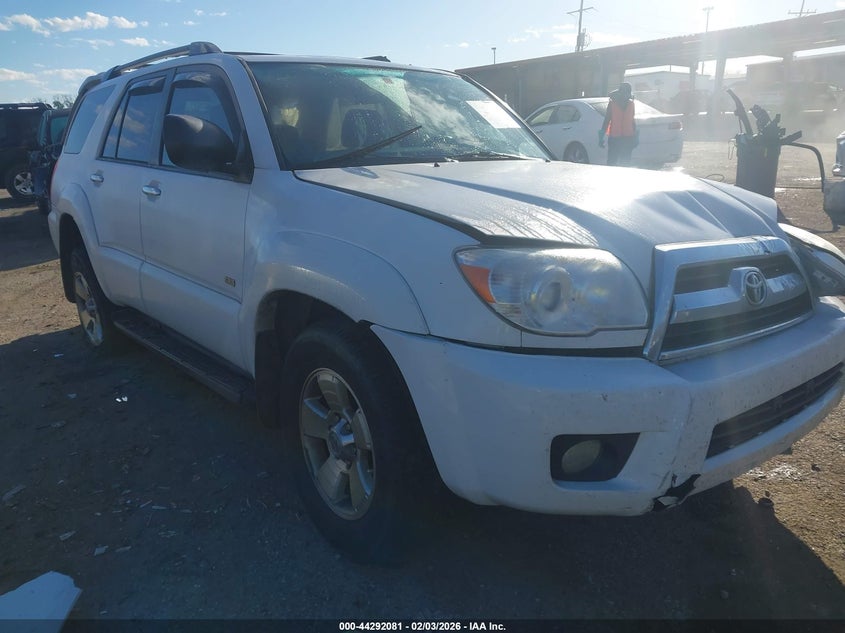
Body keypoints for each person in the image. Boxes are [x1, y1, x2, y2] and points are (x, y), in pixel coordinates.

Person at [598, 82, 638, 166]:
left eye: (627, 92)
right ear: (620, 92)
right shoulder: (612, 104)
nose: (626, 95)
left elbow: (632, 120)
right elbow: (607, 120)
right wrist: (601, 136)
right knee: (612, 163)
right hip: (615, 139)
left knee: (625, 164)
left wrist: (635, 136)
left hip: (628, 138)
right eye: (624, 92)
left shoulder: (631, 104)